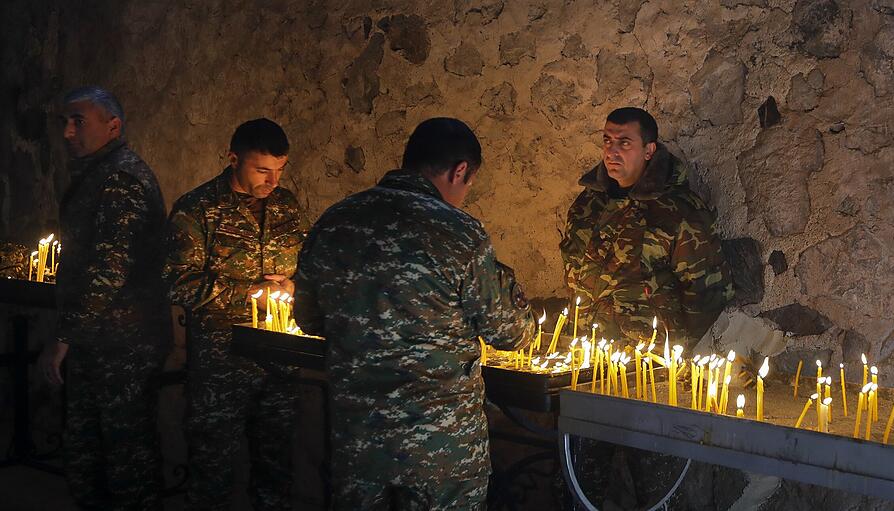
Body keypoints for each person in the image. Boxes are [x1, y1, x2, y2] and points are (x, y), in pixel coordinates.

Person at [293, 117, 535, 510]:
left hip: (359, 442)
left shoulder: (336, 222)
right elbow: (510, 332)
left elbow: (308, 317)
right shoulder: (459, 232)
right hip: (440, 450)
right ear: (460, 171)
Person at [38, 86, 170, 510]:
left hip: (122, 344)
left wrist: (64, 336)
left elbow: (109, 269)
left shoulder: (120, 179)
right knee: (88, 451)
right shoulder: (99, 173)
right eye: (65, 122)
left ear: (113, 126)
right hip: (101, 339)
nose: (68, 132)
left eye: (79, 121)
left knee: (124, 455)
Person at [162, 118, 304, 510]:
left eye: (279, 170)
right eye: (262, 170)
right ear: (233, 159)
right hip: (220, 366)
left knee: (276, 468)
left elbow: (305, 268)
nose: (273, 181)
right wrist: (250, 295)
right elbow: (177, 281)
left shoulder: (286, 206)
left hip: (278, 363)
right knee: (212, 469)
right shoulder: (198, 209)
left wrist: (294, 289)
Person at [559, 107, 733, 348]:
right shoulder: (588, 204)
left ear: (649, 150)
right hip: (586, 351)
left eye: (625, 143)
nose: (612, 151)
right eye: (607, 141)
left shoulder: (679, 211)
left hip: (645, 361)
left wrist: (669, 347)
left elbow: (707, 295)